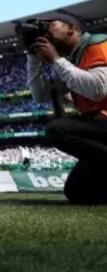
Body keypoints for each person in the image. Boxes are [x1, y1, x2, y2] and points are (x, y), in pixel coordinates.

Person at [26, 13, 107, 205]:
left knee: (58, 129)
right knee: (77, 192)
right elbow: (40, 95)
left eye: (50, 25)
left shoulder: (98, 44)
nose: (45, 30)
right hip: (100, 124)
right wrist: (33, 58)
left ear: (72, 28)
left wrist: (56, 60)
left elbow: (98, 90)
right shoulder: (69, 60)